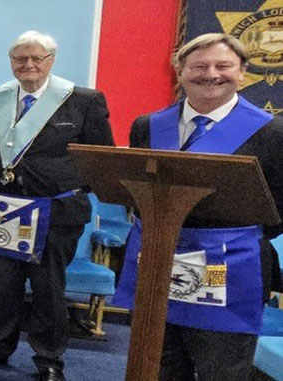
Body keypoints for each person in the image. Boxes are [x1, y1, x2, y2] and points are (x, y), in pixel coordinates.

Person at [114, 33, 283, 380]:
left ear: (242, 72)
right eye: (199, 66)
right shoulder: (147, 126)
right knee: (156, 366)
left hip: (230, 271)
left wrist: (222, 236)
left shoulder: (273, 133)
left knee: (220, 371)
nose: (211, 74)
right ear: (180, 71)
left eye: (223, 66)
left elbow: (278, 207)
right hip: (156, 262)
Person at [0, 31, 113, 381]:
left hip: (55, 213)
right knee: (1, 286)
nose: (27, 65)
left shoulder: (83, 101)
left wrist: (66, 186)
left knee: (48, 291)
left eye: (36, 58)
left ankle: (49, 360)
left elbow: (101, 159)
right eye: (19, 59)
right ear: (11, 62)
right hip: (2, 209)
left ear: (51, 61)